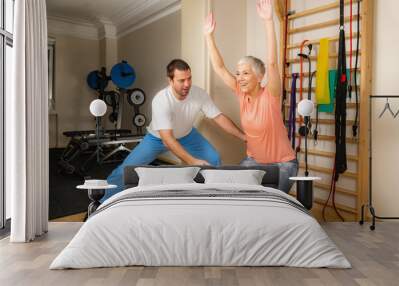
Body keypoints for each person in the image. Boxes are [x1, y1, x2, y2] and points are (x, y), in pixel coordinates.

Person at [103, 59, 246, 201]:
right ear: (170, 80)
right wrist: (192, 161)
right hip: (157, 138)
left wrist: (244, 136)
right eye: (181, 80)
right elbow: (168, 139)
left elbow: (219, 117)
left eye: (189, 79)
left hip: (187, 135)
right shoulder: (161, 100)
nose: (187, 84)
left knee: (213, 159)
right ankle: (101, 202)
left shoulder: (199, 94)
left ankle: (207, 198)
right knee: (126, 170)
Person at [204, 0, 298, 193]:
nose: (240, 78)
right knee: (235, 194)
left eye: (246, 73)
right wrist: (208, 37)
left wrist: (268, 20)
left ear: (259, 77)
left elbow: (272, 63)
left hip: (283, 165)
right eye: (238, 73)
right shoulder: (241, 93)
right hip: (253, 161)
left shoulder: (270, 95)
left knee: (273, 206)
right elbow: (220, 68)